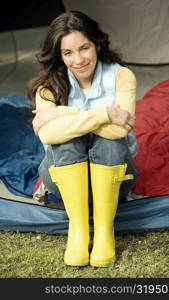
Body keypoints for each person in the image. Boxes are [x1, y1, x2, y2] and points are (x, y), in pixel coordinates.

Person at [27, 10, 138, 268]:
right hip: (63, 182)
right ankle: (77, 232)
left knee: (110, 142)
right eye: (68, 53)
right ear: (59, 54)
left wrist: (63, 114)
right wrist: (105, 114)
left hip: (116, 179)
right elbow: (49, 134)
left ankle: (103, 232)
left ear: (97, 43)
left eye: (84, 48)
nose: (78, 60)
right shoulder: (47, 84)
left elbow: (119, 131)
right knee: (65, 142)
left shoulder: (122, 76)